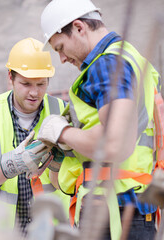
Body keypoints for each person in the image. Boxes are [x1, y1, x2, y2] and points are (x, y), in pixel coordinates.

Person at [38, 0, 160, 239]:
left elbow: (116, 143)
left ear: (79, 28)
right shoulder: (129, 57)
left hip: (114, 210)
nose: (61, 58)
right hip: (129, 207)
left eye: (60, 47)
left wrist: (62, 132)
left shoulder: (106, 64)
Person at [0, 37, 71, 236]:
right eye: (26, 84)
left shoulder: (61, 111)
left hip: (51, 229)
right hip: (4, 230)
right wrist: (14, 163)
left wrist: (58, 166)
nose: (34, 92)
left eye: (41, 84)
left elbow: (71, 180)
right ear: (11, 77)